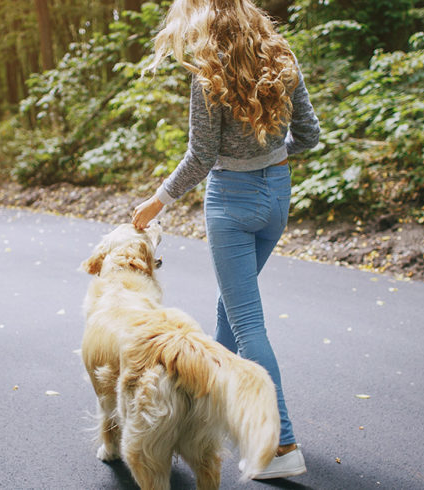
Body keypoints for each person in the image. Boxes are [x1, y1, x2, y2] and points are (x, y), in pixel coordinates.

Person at [131, 0, 320, 480]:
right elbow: (310, 135)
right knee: (229, 313)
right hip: (277, 195)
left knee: (248, 323)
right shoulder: (281, 55)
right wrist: (272, 155)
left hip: (231, 204)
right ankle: (200, 412)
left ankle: (281, 445)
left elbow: (201, 155)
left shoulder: (208, 74)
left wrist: (157, 201)